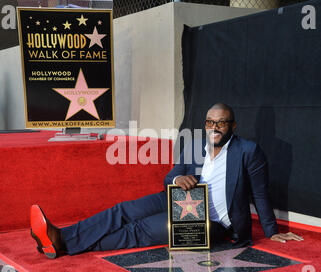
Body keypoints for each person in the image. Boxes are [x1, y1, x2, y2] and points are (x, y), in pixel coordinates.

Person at [30, 103, 303, 259]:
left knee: (138, 230)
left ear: (233, 126)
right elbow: (169, 177)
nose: (215, 127)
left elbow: (261, 193)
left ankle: (62, 243)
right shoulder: (195, 145)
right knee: (123, 210)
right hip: (180, 200)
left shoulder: (248, 151)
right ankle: (61, 236)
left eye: (221, 122)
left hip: (213, 222)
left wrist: (270, 231)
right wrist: (179, 178)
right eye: (210, 122)